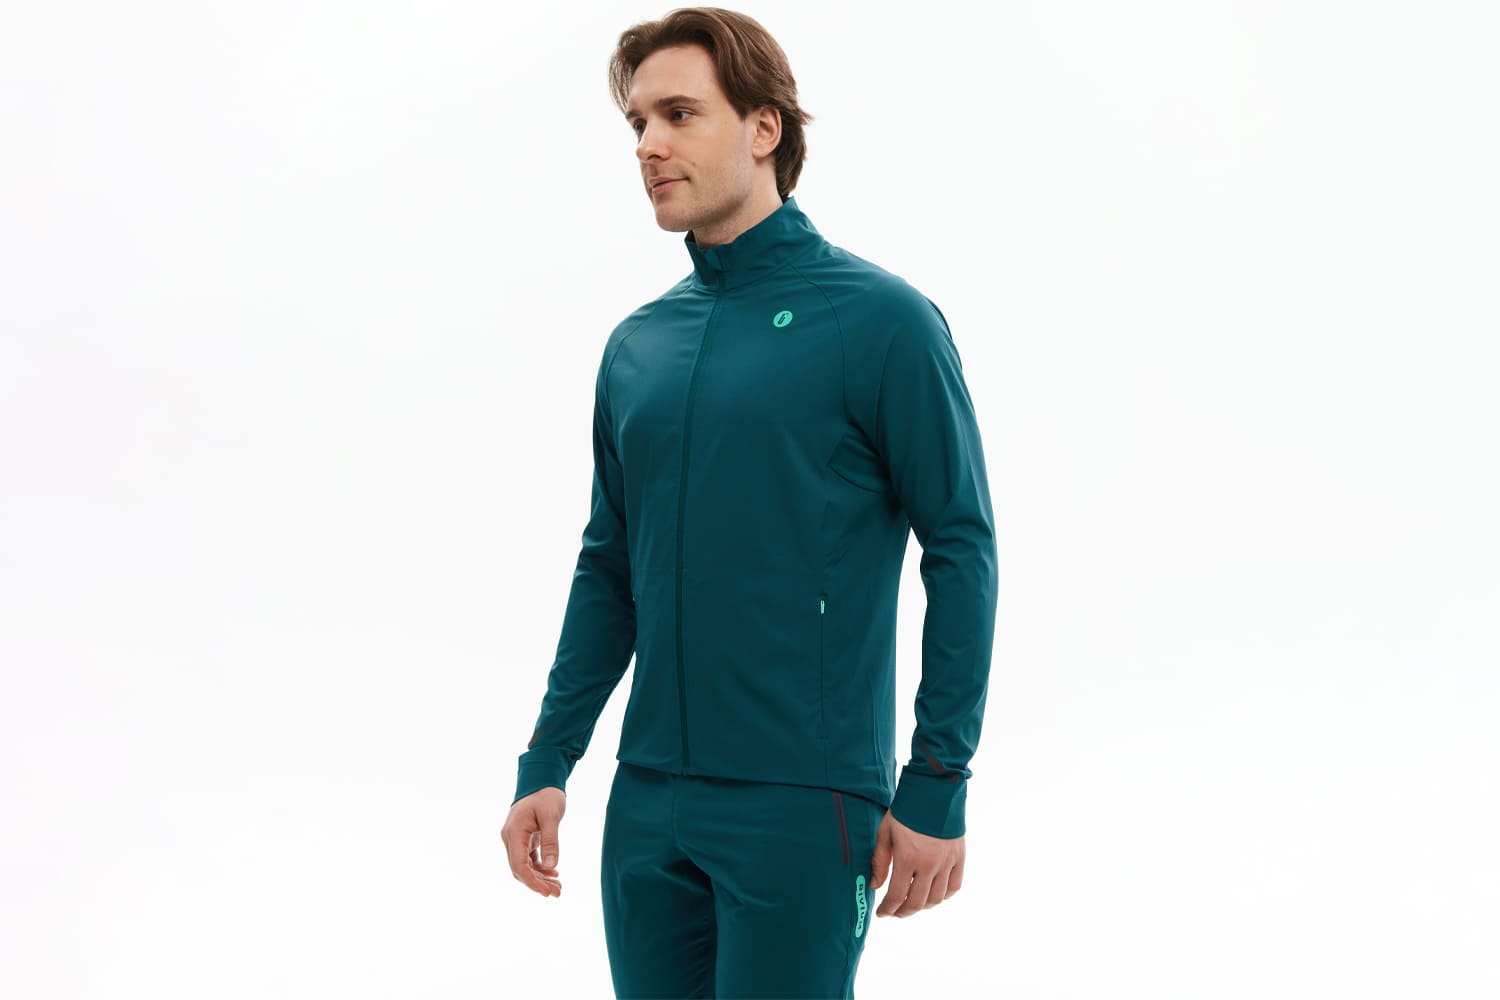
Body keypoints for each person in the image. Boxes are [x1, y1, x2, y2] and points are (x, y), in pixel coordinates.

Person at [500, 7, 998, 997]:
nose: (648, 145)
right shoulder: (639, 345)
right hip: (648, 803)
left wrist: (938, 779)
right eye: (638, 122)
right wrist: (548, 759)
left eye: (679, 114)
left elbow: (961, 547)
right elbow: (610, 565)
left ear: (764, 127)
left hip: (803, 802)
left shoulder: (882, 322)